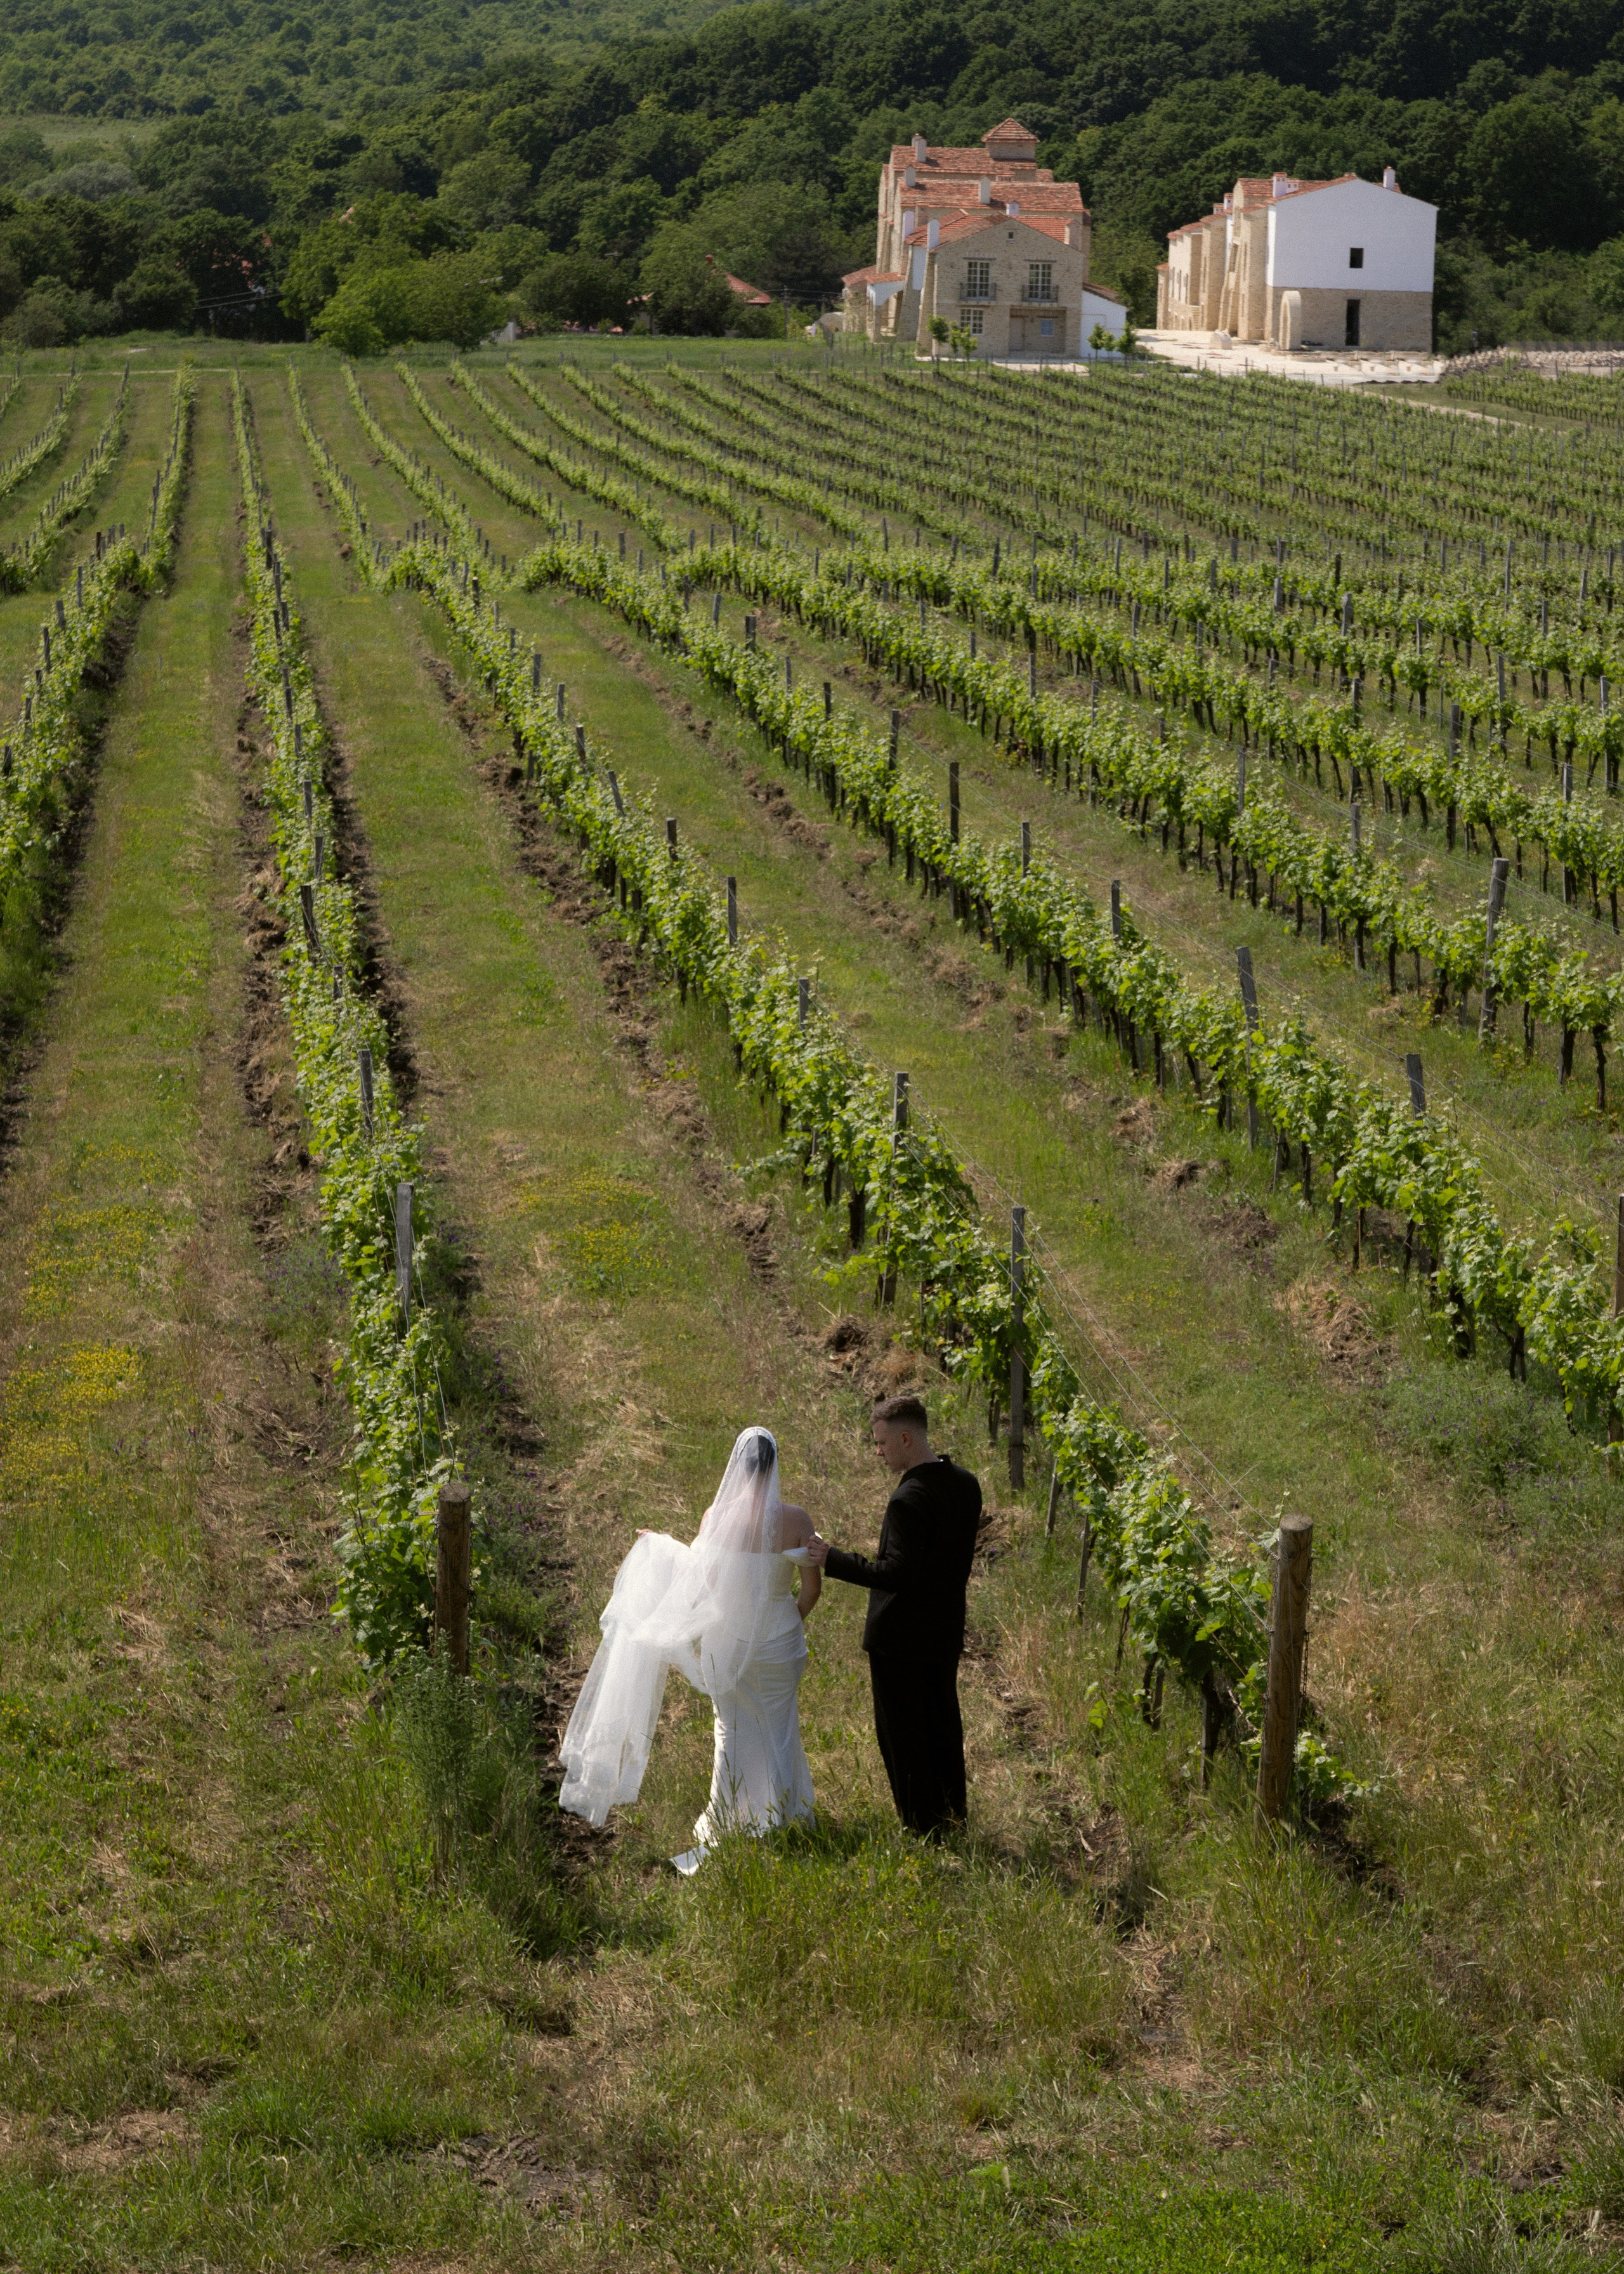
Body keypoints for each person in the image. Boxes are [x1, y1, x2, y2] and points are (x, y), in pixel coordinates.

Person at [558, 1427, 820, 1874]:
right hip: (780, 1641)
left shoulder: (716, 1517)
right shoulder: (797, 1520)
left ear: (738, 1467)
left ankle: (728, 1821)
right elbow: (812, 1590)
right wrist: (786, 1623)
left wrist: (660, 1548)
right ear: (775, 1464)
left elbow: (703, 1587)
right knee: (780, 1726)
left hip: (728, 1642)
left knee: (730, 1730)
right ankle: (785, 1818)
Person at [805, 1395, 982, 1838]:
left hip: (900, 1639)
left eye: (882, 1443)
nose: (878, 1452)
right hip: (943, 1631)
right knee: (942, 1725)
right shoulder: (966, 1484)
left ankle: (922, 1827)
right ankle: (953, 1815)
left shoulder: (908, 1498)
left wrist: (832, 1558)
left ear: (905, 1438)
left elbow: (897, 1573)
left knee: (904, 1737)